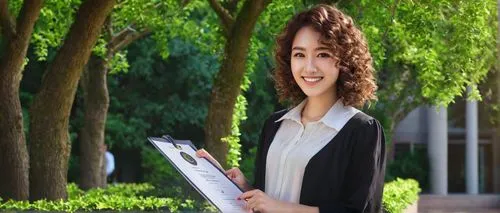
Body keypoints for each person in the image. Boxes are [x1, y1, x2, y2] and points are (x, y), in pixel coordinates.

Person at [197, 4, 386, 213]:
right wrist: (243, 187)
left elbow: (360, 210)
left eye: (322, 54)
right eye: (299, 55)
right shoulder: (275, 125)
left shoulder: (362, 130)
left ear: (345, 61)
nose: (309, 67)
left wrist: (278, 207)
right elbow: (267, 202)